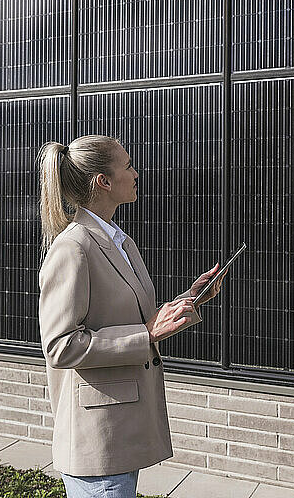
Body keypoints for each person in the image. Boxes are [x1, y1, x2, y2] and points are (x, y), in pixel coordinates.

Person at [37, 135, 227, 498]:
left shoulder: (120, 241)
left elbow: (134, 318)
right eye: (127, 166)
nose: (136, 173)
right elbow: (60, 346)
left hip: (121, 431)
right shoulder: (73, 248)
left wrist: (190, 299)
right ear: (103, 181)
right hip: (99, 442)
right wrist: (147, 335)